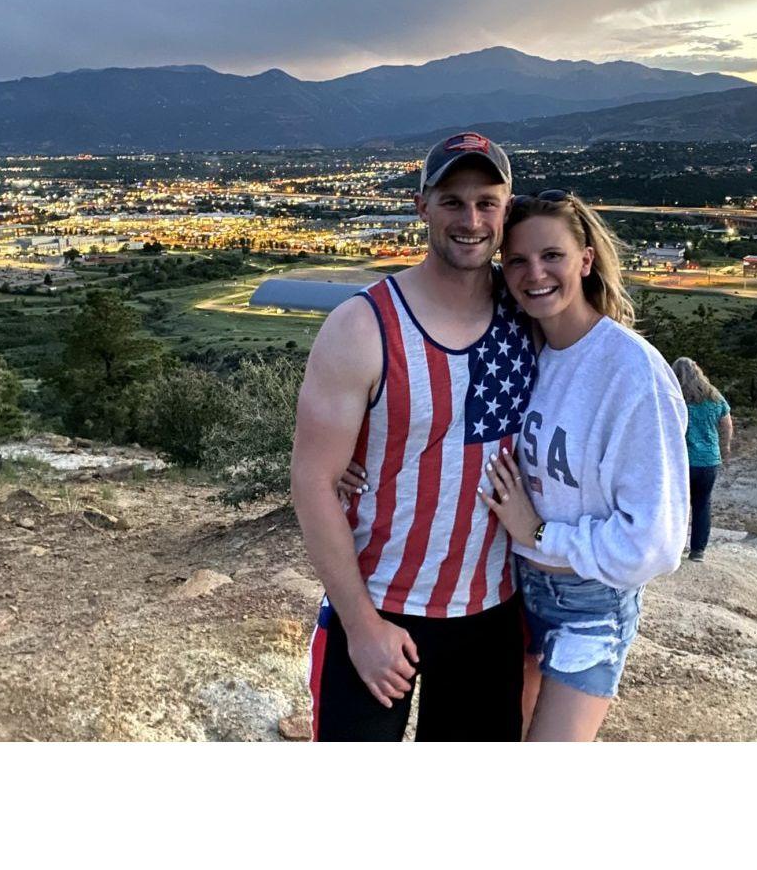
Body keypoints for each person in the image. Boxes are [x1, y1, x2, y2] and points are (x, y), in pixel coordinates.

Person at [290, 131, 535, 742]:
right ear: (421, 206)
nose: (471, 220)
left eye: (486, 202)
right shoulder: (362, 326)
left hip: (492, 610)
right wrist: (361, 626)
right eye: (452, 201)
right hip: (378, 602)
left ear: (506, 209)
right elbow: (313, 481)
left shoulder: (531, 312)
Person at [476, 191, 689, 742]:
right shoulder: (525, 355)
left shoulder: (631, 372)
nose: (535, 274)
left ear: (586, 260)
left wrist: (539, 533)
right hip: (515, 591)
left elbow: (655, 544)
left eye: (552, 256)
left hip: (589, 605)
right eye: (517, 260)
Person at [671, 357, 732, 562]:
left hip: (682, 461)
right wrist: (725, 447)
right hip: (709, 460)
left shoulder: (674, 398)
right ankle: (698, 550)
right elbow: (727, 425)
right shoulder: (714, 396)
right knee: (702, 503)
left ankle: (674, 547)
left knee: (678, 504)